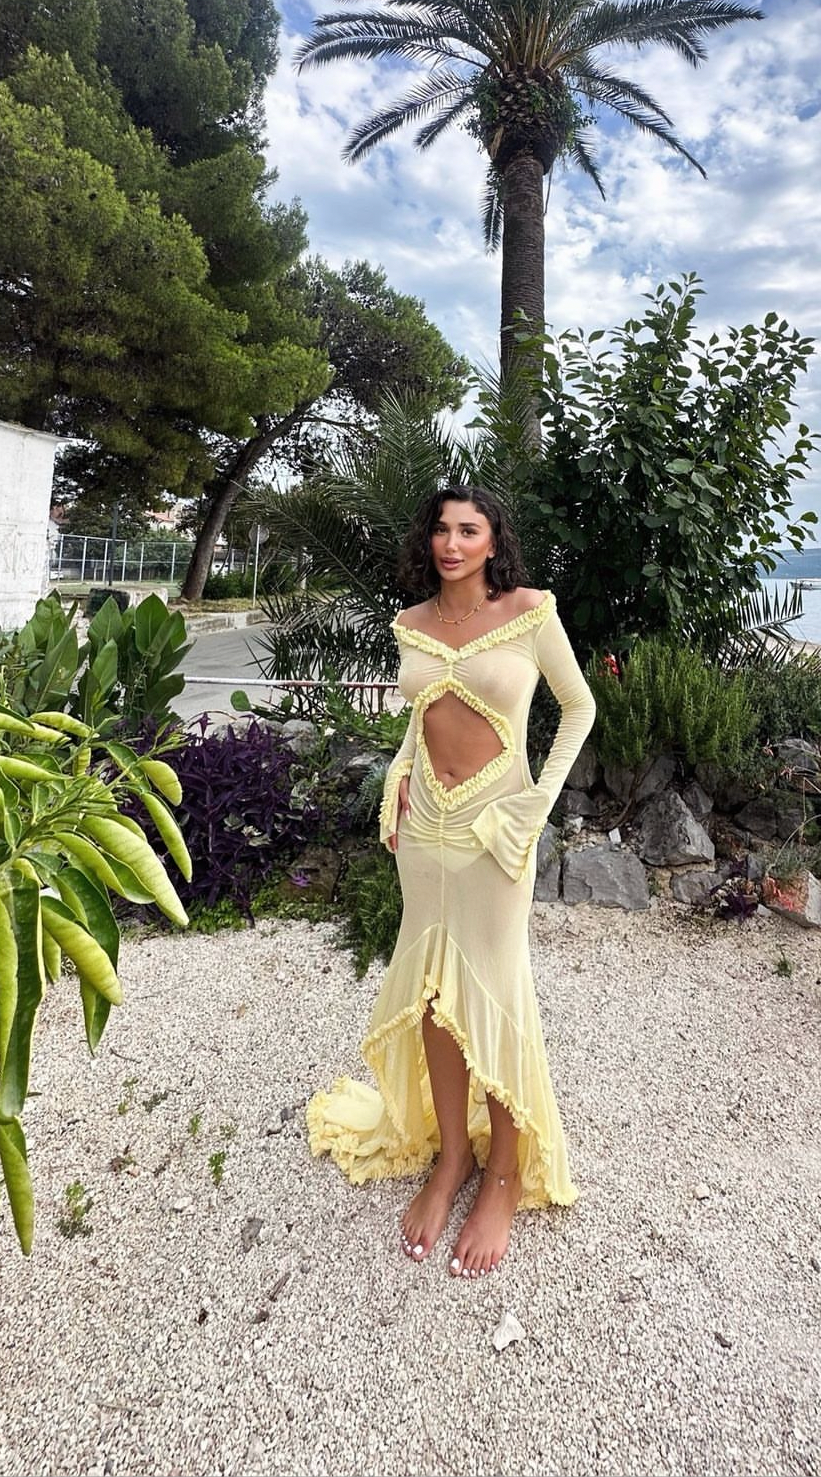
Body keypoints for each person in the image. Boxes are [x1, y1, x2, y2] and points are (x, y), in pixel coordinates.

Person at [307, 486, 596, 1278]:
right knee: (434, 992)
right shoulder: (412, 622)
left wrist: (536, 805)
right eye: (440, 528)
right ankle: (453, 1158)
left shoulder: (531, 611)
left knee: (495, 989)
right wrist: (401, 766)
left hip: (497, 824)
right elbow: (423, 708)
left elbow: (578, 708)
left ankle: (503, 1167)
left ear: (494, 540)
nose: (452, 542)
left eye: (469, 529)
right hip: (425, 828)